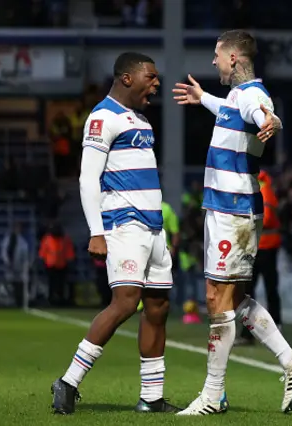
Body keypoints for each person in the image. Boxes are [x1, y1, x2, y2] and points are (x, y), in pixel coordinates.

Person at [172, 30, 292, 415]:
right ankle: (291, 363)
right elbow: (233, 109)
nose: (213, 61)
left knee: (219, 300)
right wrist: (204, 99)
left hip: (234, 210)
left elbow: (262, 113)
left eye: (217, 55)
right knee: (226, 300)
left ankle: (213, 394)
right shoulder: (236, 95)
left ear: (233, 57)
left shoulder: (254, 96)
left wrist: (273, 121)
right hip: (223, 207)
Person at [50, 52, 180, 415]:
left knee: (158, 306)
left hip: (154, 229)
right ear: (127, 78)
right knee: (125, 302)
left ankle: (151, 397)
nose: (156, 84)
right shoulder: (102, 117)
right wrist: (97, 232)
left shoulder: (139, 119)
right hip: (124, 225)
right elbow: (87, 178)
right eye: (150, 77)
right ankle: (68, 381)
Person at [236, 169, 283, 345]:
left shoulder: (263, 192)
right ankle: (256, 332)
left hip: (264, 247)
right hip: (258, 247)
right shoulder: (260, 190)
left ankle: (263, 331)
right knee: (257, 290)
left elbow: (267, 219)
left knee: (260, 290)